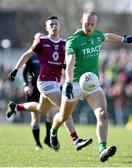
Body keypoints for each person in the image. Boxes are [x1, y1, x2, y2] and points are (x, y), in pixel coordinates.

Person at [50, 10, 132, 162]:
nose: (89, 27)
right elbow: (69, 63)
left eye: (92, 24)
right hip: (75, 84)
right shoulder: (73, 40)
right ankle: (53, 130)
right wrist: (68, 81)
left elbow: (107, 36)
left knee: (103, 114)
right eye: (86, 24)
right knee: (63, 116)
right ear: (80, 20)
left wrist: (123, 39)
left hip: (92, 84)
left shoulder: (96, 35)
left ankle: (102, 149)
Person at [6, 16, 92, 151]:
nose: (53, 26)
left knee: (42, 109)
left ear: (60, 26)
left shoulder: (65, 43)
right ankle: (76, 140)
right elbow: (26, 55)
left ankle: (17, 107)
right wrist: (15, 69)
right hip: (45, 82)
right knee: (64, 110)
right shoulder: (41, 41)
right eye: (50, 24)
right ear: (46, 28)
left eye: (55, 24)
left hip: (56, 82)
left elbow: (70, 61)